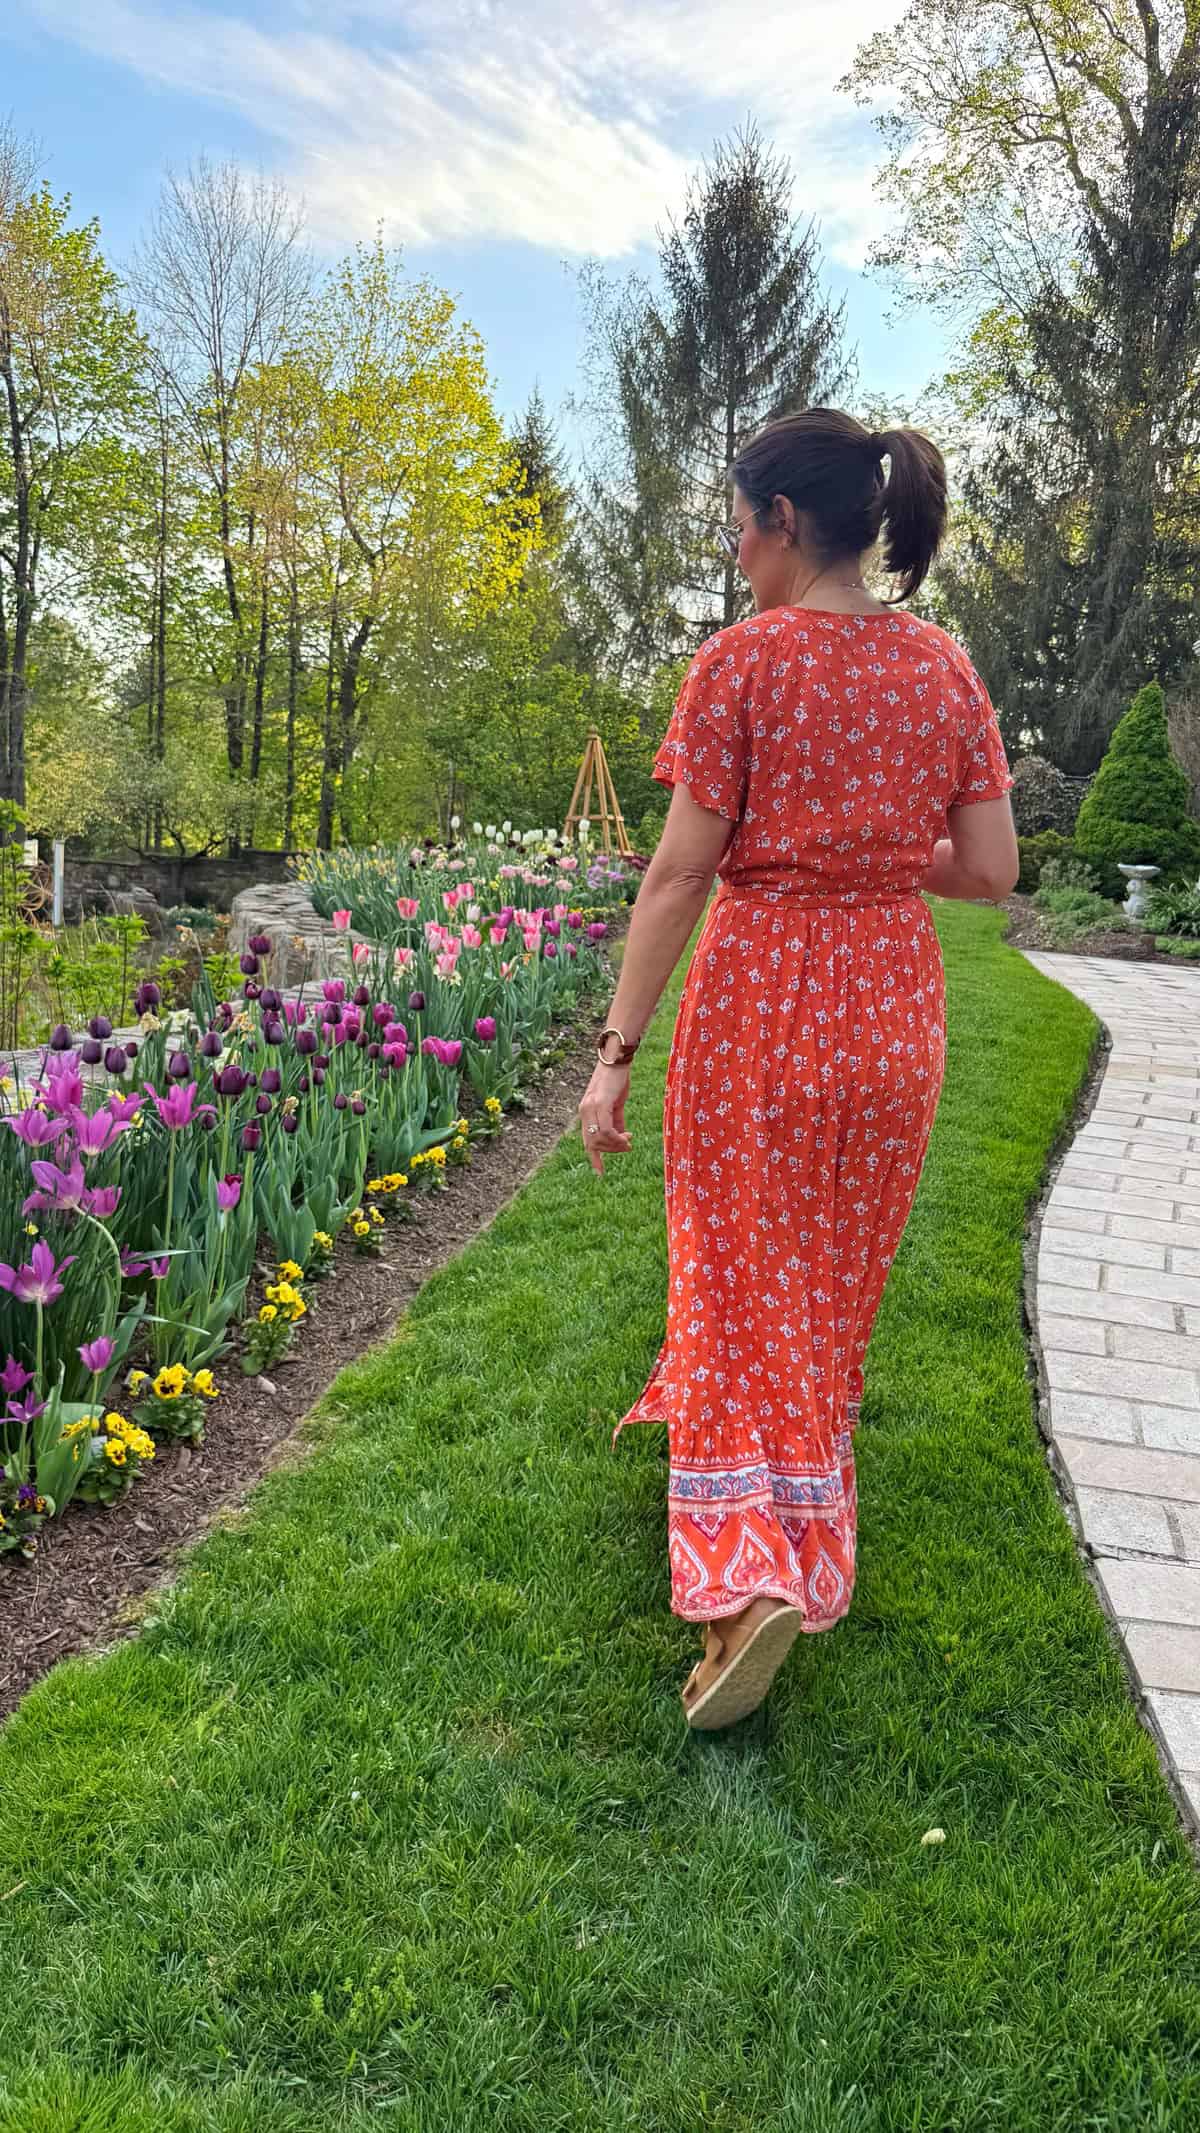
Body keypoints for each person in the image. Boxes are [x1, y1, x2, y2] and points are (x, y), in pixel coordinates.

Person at [577, 406, 1018, 1733]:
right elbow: (991, 873)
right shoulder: (946, 674)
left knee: (725, 1276)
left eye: (736, 519)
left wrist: (613, 1058)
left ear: (779, 521)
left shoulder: (743, 665)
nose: (732, 542)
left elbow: (677, 874)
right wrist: (876, 860)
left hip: (764, 1004)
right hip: (891, 1018)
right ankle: (805, 1544)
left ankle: (738, 1587)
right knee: (826, 1290)